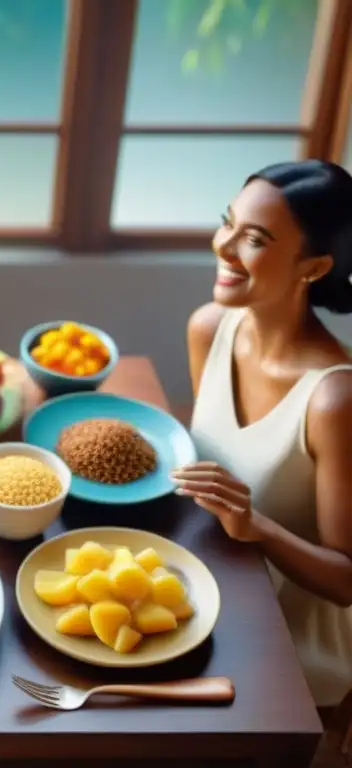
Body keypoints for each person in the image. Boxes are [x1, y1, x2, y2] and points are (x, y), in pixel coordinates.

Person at [172, 159, 352, 712]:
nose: (223, 246)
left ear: (314, 267)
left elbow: (346, 582)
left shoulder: (334, 400)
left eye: (253, 239)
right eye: (227, 222)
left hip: (289, 648)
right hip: (212, 591)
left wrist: (257, 528)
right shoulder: (209, 328)